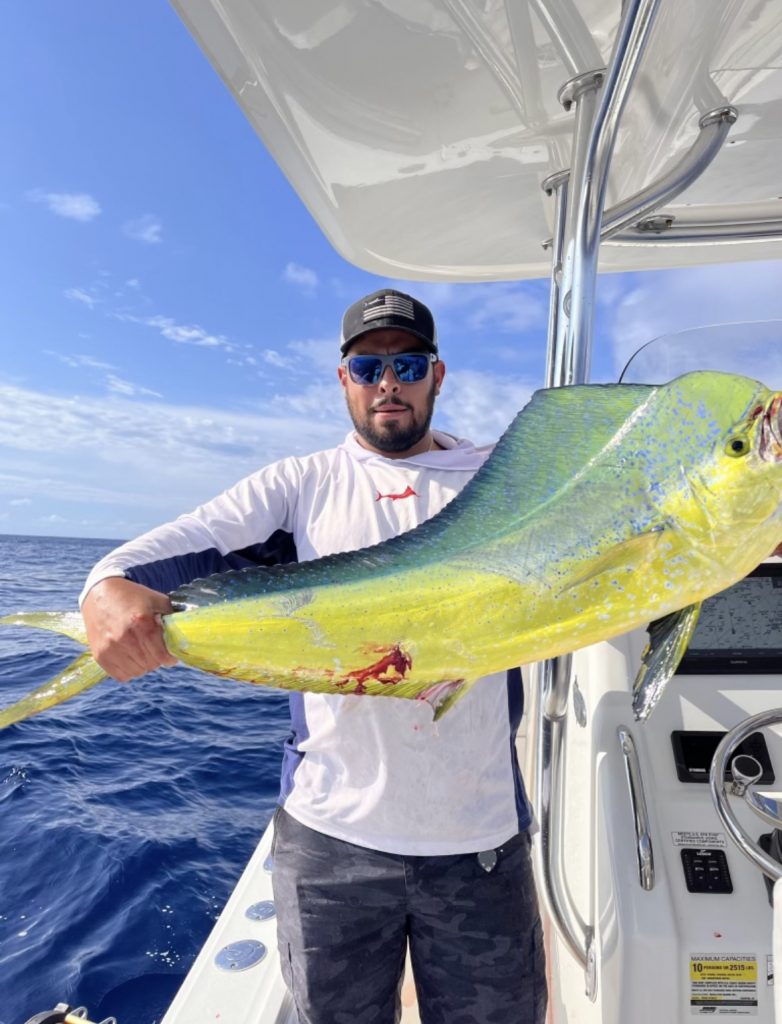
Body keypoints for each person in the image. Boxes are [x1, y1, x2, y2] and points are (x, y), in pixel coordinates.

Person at [79, 288, 546, 1024]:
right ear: (342, 380)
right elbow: (157, 555)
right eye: (367, 367)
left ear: (437, 374)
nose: (387, 383)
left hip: (480, 840)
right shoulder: (300, 485)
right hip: (331, 845)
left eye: (408, 365)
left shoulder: (505, 480)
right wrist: (103, 588)